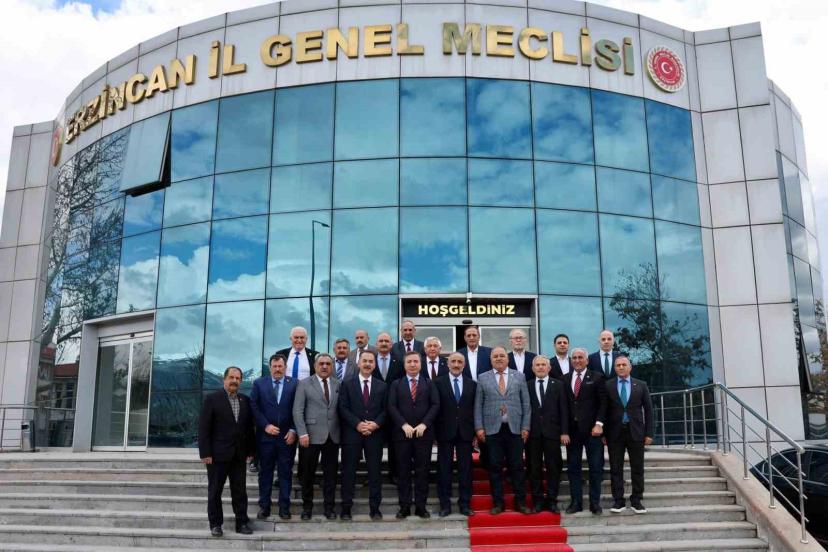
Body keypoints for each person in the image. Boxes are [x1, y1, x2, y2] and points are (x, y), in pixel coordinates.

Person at [198, 366, 255, 537]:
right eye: (231, 377)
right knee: (215, 491)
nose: (234, 381)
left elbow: (249, 429)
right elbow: (204, 428)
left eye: (238, 378)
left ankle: (242, 523)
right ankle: (215, 524)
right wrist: (205, 453)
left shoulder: (245, 400)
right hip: (217, 456)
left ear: (241, 381)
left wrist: (251, 451)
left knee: (240, 491)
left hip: (239, 455)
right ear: (224, 379)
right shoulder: (212, 399)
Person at [474, 347, 531, 515]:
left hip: (515, 429)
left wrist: (525, 426)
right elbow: (478, 405)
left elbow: (526, 404)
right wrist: (479, 427)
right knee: (495, 467)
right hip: (492, 429)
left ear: (508, 358)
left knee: (517, 467)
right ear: (491, 359)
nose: (499, 358)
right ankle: (498, 503)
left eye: (502, 356)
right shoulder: (482, 378)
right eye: (495, 356)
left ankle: (520, 502)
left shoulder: (519, 376)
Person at [387, 351, 440, 519]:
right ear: (404, 365)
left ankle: (420, 506)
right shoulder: (396, 384)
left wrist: (425, 424)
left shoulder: (429, 383)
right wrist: (403, 425)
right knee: (403, 472)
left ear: (420, 364)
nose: (412, 364)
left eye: (415, 361)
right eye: (409, 361)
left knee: (422, 471)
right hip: (402, 435)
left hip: (424, 435)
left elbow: (435, 405)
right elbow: (391, 406)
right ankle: (404, 506)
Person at [338, 351, 387, 521]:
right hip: (352, 435)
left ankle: (375, 509)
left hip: (374, 435)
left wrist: (375, 424)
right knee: (348, 472)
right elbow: (343, 407)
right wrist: (358, 424)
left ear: (374, 365)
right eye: (364, 361)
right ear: (358, 363)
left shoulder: (382, 386)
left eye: (371, 361)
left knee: (375, 473)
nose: (367, 364)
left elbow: (386, 409)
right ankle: (346, 508)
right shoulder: (347, 384)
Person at [293, 354, 340, 521]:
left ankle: (329, 508)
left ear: (332, 366)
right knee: (307, 475)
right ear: (315, 366)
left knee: (331, 476)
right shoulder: (304, 384)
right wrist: (302, 433)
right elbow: (297, 411)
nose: (325, 366)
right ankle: (307, 508)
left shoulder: (338, 384)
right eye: (321, 364)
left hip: (332, 437)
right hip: (310, 436)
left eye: (328, 364)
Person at [250, 354, 298, 520]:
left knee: (285, 473)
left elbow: (299, 408)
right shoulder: (259, 383)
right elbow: (254, 406)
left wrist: (293, 430)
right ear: (270, 367)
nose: (277, 369)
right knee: (265, 473)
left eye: (280, 366)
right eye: (274, 366)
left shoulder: (295, 384)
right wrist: (265, 425)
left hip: (287, 438)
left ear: (285, 367)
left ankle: (284, 508)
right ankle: (264, 506)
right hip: (265, 438)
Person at [605, 355, 654, 514]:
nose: (621, 367)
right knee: (615, 468)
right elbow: (604, 410)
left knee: (637, 468)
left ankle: (636, 500)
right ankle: (618, 501)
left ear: (630, 367)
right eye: (618, 365)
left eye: (623, 364)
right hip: (614, 433)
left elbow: (649, 410)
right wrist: (603, 433)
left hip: (636, 432)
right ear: (614, 368)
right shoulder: (608, 385)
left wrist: (649, 433)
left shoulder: (641, 385)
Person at [564, 347, 607, 515]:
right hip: (572, 432)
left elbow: (603, 403)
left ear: (587, 360)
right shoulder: (565, 379)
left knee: (595, 467)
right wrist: (564, 430)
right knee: (573, 468)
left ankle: (595, 503)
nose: (577, 360)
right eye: (574, 357)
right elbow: (563, 407)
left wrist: (599, 424)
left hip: (592, 431)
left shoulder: (597, 377)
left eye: (580, 357)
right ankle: (576, 502)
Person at [434, 352, 476, 517]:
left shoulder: (472, 384)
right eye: (453, 361)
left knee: (466, 470)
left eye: (459, 362)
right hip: (444, 432)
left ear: (464, 365)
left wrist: (475, 432)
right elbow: (435, 408)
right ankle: (445, 505)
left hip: (466, 433)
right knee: (444, 469)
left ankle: (465, 504)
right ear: (448, 364)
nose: (456, 364)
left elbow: (474, 409)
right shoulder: (438, 383)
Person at [526, 355, 570, 513]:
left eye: (543, 364)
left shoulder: (558, 385)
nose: (540, 367)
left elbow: (564, 410)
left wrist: (564, 432)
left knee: (553, 467)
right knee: (534, 468)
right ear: (533, 368)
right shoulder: (527, 385)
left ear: (549, 368)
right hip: (533, 434)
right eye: (537, 365)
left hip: (553, 433)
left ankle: (552, 500)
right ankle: (538, 501)